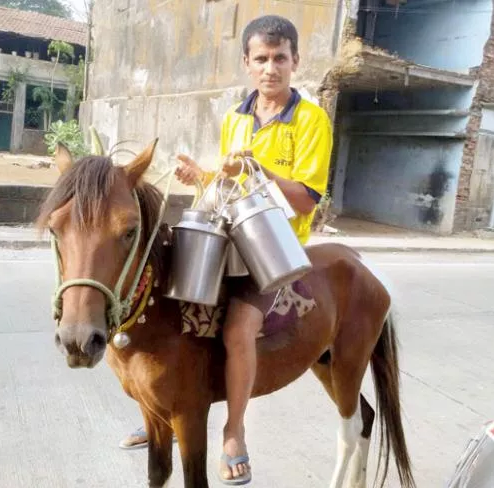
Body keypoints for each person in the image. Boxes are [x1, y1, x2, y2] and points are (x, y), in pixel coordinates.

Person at [119, 14, 333, 485]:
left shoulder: (311, 119)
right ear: (246, 63)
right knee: (166, 300)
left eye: (280, 59)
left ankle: (234, 433)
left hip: (274, 246)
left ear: (295, 61)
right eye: (261, 59)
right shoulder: (237, 116)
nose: (270, 68)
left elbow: (304, 198)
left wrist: (257, 169)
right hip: (230, 231)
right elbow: (227, 184)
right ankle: (165, 408)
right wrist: (202, 178)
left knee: (239, 327)